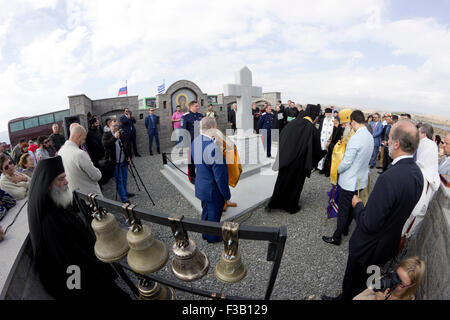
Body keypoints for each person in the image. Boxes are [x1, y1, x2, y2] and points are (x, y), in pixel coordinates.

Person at [323, 120, 423, 301]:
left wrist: (358, 205)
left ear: (397, 144)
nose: (386, 142)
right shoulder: (417, 174)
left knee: (354, 281)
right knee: (368, 283)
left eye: (389, 138)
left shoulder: (389, 178)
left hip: (368, 247)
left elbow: (369, 223)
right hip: (387, 245)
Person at [27, 156, 130, 299]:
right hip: (84, 280)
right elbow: (67, 264)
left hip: (88, 267)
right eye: (61, 179)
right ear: (48, 184)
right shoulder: (49, 222)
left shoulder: (56, 201)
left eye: (65, 177)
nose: (67, 182)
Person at [322, 110, 373, 246]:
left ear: (354, 122)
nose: (350, 125)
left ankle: (336, 237)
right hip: (360, 180)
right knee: (351, 207)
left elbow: (346, 162)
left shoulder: (356, 138)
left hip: (349, 180)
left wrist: (337, 170)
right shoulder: (369, 136)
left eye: (351, 123)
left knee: (344, 210)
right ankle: (344, 229)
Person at [267, 105, 325, 214]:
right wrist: (324, 152)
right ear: (313, 115)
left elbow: (283, 136)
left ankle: (277, 202)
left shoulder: (292, 123)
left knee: (282, 180)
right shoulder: (312, 129)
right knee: (295, 184)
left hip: (286, 159)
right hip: (300, 163)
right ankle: (290, 206)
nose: (317, 118)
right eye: (317, 116)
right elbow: (316, 149)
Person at [191, 117, 231, 243]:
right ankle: (213, 238)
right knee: (214, 215)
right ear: (213, 128)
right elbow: (220, 177)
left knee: (206, 211)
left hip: (201, 185)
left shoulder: (195, 141)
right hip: (213, 190)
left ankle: (205, 233)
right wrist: (226, 194)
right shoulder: (213, 149)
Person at [353, 256, 425, 300]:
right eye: (396, 275)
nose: (394, 281)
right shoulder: (386, 281)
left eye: (401, 282)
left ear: (411, 285)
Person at [58, 125, 102, 196]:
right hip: (91, 197)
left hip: (75, 196)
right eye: (83, 139)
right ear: (79, 136)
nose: (83, 142)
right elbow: (97, 176)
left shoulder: (60, 152)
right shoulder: (80, 154)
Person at [102, 119, 134, 204]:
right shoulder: (107, 135)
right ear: (109, 126)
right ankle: (124, 199)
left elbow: (127, 145)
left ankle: (125, 193)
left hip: (124, 160)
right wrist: (114, 138)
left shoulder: (121, 134)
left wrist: (129, 156)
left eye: (117, 125)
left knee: (124, 178)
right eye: (114, 126)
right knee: (119, 180)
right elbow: (105, 145)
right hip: (115, 162)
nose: (116, 127)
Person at [181, 101, 204, 184]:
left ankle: (200, 175)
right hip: (190, 143)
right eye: (196, 106)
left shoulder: (200, 116)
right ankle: (192, 178)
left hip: (200, 142)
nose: (198, 107)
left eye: (198, 106)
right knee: (191, 161)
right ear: (191, 107)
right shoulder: (185, 116)